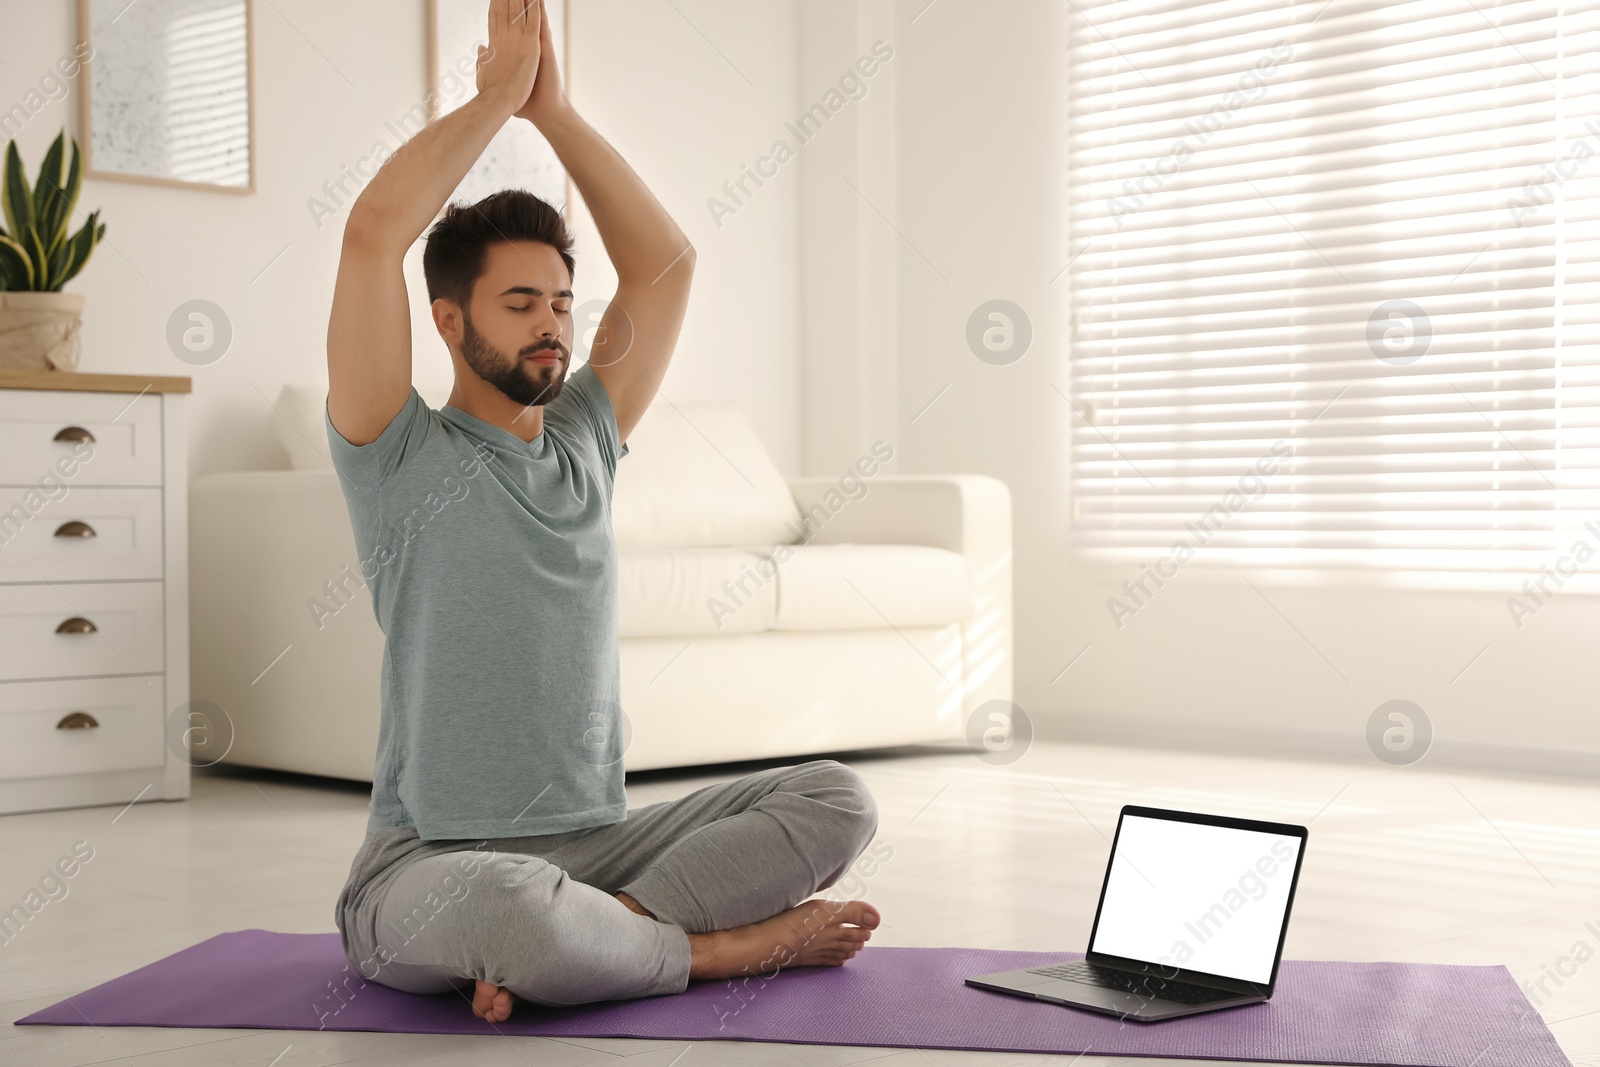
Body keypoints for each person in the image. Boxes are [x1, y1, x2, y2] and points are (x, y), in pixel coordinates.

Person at [323, 0, 881, 1022]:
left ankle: (594, 935)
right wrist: (493, 101)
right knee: (505, 902)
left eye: (562, 301)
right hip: (429, 859)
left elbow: (666, 267)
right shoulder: (397, 451)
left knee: (837, 797)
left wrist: (557, 114)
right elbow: (370, 236)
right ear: (447, 321)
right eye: (520, 303)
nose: (552, 327)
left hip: (598, 845)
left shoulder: (584, 438)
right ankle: (716, 949)